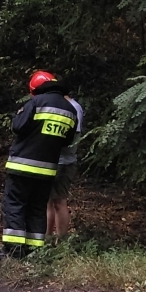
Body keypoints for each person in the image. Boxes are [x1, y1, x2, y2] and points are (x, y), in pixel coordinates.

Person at [1, 70, 78, 257]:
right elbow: (67, 141)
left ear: (36, 90)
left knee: (15, 204)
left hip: (22, 166)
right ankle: (35, 250)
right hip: (48, 170)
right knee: (37, 208)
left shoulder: (35, 103)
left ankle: (14, 249)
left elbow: (17, 127)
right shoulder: (70, 110)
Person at [47, 87, 84, 241]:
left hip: (63, 162)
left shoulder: (73, 108)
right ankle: (46, 238)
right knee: (47, 201)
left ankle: (61, 240)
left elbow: (72, 138)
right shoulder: (65, 105)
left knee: (59, 201)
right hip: (53, 161)